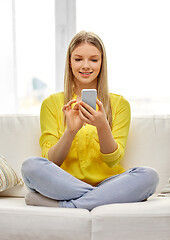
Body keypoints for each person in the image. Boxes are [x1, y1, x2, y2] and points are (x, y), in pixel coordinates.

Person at [21, 31, 159, 211]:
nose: (86, 66)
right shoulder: (51, 103)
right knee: (30, 166)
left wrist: (102, 125)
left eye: (94, 60)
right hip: (64, 184)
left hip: (109, 183)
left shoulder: (120, 104)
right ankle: (97, 199)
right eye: (78, 59)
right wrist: (70, 131)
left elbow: (112, 161)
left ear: (102, 63)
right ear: (70, 62)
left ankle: (69, 205)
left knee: (149, 176)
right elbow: (51, 162)